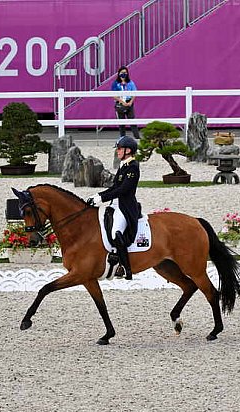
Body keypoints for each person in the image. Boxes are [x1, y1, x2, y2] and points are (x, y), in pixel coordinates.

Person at [87, 136, 141, 279]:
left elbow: (123, 189)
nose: (117, 152)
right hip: (114, 205)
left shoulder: (133, 167)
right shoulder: (123, 166)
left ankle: (125, 268)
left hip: (125, 207)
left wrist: (102, 198)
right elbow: (115, 187)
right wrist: (97, 195)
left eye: (119, 149)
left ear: (128, 150)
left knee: (115, 233)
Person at [111, 65, 140, 139]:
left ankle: (137, 137)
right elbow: (113, 95)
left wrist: (130, 102)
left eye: (125, 72)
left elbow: (134, 93)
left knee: (132, 120)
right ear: (119, 73)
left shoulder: (130, 82)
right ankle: (122, 138)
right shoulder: (115, 83)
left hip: (129, 102)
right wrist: (122, 102)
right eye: (122, 72)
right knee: (121, 122)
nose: (123, 74)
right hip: (120, 103)